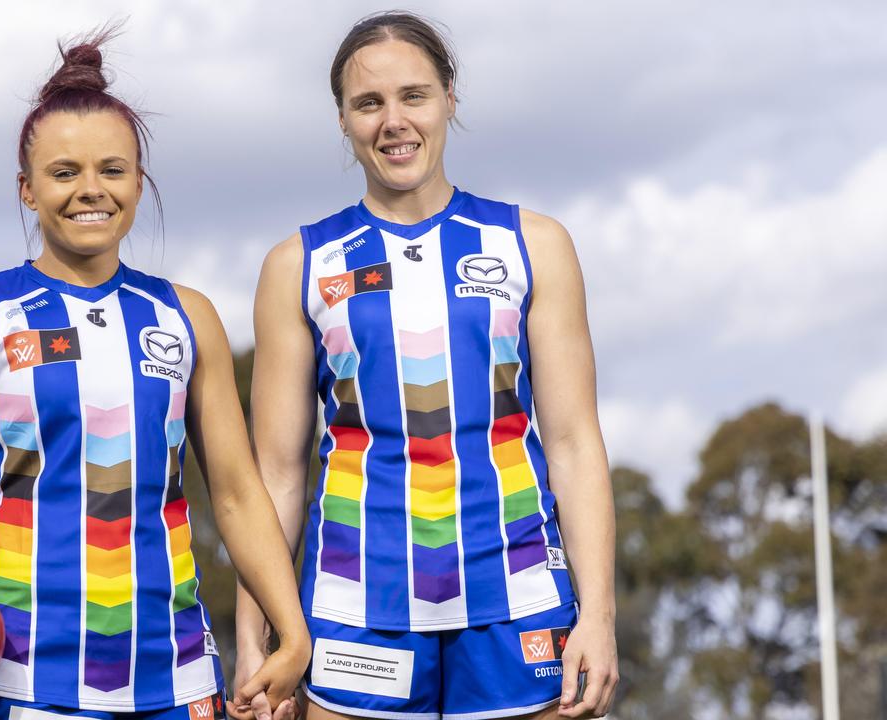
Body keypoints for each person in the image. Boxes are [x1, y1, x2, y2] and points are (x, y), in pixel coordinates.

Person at [0, 29, 309, 720]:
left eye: (112, 170)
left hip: (177, 682)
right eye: (64, 173)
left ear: (139, 183)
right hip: (25, 683)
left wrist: (289, 630)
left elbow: (235, 494)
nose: (91, 190)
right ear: (27, 190)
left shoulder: (186, 316)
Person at [234, 11, 618, 720]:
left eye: (414, 96)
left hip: (518, 601)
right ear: (343, 119)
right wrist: (256, 638)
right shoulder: (299, 264)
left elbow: (572, 443)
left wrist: (598, 617)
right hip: (354, 608)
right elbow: (276, 473)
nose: (393, 121)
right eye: (368, 103)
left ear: (449, 100)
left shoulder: (534, 244)